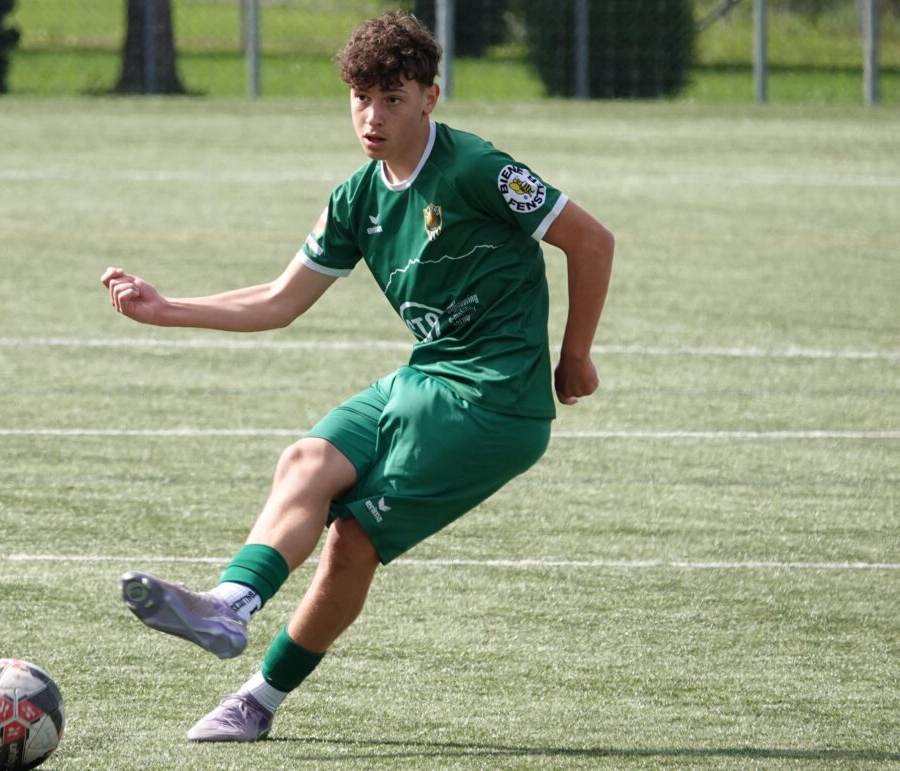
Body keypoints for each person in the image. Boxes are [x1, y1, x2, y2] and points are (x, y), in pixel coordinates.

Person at [100, 9, 614, 743]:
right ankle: (230, 607)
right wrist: (166, 308)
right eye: (361, 98)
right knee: (306, 461)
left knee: (352, 537)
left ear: (430, 98)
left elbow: (592, 240)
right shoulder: (356, 198)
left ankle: (256, 694)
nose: (373, 117)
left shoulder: (477, 169)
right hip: (426, 380)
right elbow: (279, 300)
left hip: (495, 400)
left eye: (393, 99)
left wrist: (574, 354)